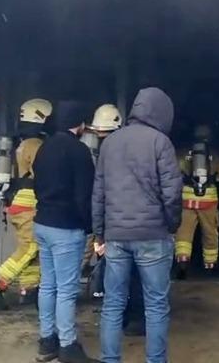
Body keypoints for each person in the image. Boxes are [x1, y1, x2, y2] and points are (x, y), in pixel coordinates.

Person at [92, 87, 182, 363]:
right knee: (155, 306)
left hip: (116, 236)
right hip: (153, 235)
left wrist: (99, 233)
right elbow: (172, 192)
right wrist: (171, 224)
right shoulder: (160, 142)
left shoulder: (110, 143)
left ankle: (110, 360)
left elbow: (99, 192)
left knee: (113, 304)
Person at [32, 101, 97, 363]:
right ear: (80, 125)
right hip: (66, 228)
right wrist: (91, 225)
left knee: (48, 284)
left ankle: (47, 341)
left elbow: (37, 187)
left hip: (43, 223)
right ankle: (68, 346)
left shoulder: (43, 149)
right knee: (67, 290)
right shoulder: (79, 151)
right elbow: (84, 195)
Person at [80, 104, 146, 336]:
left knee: (118, 277)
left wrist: (99, 231)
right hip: (138, 224)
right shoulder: (136, 149)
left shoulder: (106, 154)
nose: (101, 138)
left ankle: (122, 321)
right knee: (134, 275)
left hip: (115, 225)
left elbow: (99, 194)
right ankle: (134, 318)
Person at [0, 98, 52, 310]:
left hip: (20, 202)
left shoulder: (23, 142)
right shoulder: (35, 145)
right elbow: (43, 173)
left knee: (35, 250)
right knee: (30, 247)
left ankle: (30, 291)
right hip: (29, 203)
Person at [175, 124, 219, 277]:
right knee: (210, 232)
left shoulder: (182, 153)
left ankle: (182, 264)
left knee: (183, 234)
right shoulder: (215, 155)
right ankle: (210, 265)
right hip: (208, 200)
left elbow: (174, 172)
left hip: (186, 198)